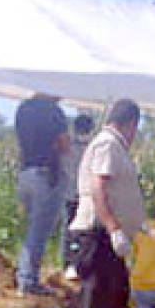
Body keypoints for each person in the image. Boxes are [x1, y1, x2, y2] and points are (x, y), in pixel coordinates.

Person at [66, 99, 146, 308]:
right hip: (98, 237)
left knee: (117, 300)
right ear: (131, 124)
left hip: (108, 238)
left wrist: (138, 223)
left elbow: (118, 190)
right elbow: (98, 187)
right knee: (95, 304)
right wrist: (114, 228)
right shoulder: (108, 145)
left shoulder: (116, 147)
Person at [14, 93, 70, 295]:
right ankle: (28, 281)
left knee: (33, 228)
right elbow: (64, 145)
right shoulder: (54, 112)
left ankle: (25, 273)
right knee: (39, 230)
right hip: (45, 175)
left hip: (25, 173)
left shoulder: (23, 108)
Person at [63, 114, 97, 280]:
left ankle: (70, 264)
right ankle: (79, 264)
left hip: (70, 194)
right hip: (85, 196)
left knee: (71, 230)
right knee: (84, 232)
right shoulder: (93, 147)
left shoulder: (68, 146)